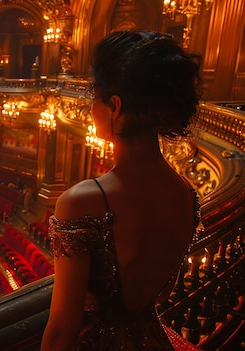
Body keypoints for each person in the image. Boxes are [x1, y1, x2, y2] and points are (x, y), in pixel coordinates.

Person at [42, 31, 203, 350]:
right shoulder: (187, 194)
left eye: (94, 98)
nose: (90, 108)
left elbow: (62, 329)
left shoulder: (81, 202)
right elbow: (160, 294)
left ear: (114, 106)